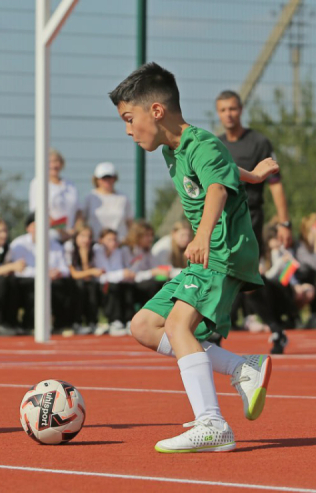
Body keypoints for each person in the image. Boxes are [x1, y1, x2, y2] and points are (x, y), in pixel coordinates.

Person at [109, 62, 279, 453]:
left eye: (129, 118)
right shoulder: (178, 149)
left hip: (222, 251)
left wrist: (202, 234)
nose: (128, 130)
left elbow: (217, 187)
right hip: (210, 252)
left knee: (179, 327)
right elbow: (222, 169)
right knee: (146, 325)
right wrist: (251, 176)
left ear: (156, 111)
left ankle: (212, 423)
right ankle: (241, 368)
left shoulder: (200, 142)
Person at [216, 90, 291, 352]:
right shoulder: (216, 145)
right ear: (218, 112)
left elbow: (276, 183)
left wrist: (284, 223)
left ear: (241, 110)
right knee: (241, 280)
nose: (229, 114)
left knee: (238, 276)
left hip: (250, 219)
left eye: (233, 109)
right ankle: (276, 329)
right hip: (222, 220)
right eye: (224, 109)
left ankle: (217, 333)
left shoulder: (259, 142)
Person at [6, 214, 72, 333]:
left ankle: (61, 325)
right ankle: (29, 325)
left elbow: (65, 269)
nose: (40, 229)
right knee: (32, 286)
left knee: (65, 285)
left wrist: (58, 273)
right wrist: (42, 274)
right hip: (27, 281)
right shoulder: (18, 244)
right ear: (28, 228)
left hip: (52, 281)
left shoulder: (55, 245)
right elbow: (19, 270)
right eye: (36, 226)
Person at [28, 149, 79, 242]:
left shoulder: (70, 184)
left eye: (56, 161)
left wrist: (76, 230)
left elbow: (78, 210)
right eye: (50, 162)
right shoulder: (38, 182)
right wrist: (60, 229)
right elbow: (37, 210)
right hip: (50, 234)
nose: (54, 165)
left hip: (71, 234)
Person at [92, 228, 135, 337]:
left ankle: (128, 319)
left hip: (113, 283)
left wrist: (125, 274)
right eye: (109, 239)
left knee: (127, 285)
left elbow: (116, 272)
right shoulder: (96, 251)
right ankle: (114, 321)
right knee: (113, 286)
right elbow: (102, 275)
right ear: (101, 240)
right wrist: (122, 274)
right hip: (99, 286)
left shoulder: (118, 252)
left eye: (115, 239)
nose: (113, 242)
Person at [79, 162, 133, 242]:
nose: (107, 181)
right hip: (96, 244)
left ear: (115, 178)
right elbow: (81, 221)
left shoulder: (123, 198)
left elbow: (130, 223)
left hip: (119, 245)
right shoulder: (90, 197)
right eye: (104, 178)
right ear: (97, 180)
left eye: (110, 177)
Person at [66, 223, 103, 335]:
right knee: (80, 286)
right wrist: (91, 271)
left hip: (85, 280)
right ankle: (77, 322)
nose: (86, 240)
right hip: (69, 282)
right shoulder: (69, 247)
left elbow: (87, 277)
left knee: (91, 286)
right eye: (82, 236)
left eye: (89, 237)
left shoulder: (93, 249)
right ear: (76, 237)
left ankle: (92, 322)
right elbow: (74, 274)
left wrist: (85, 257)